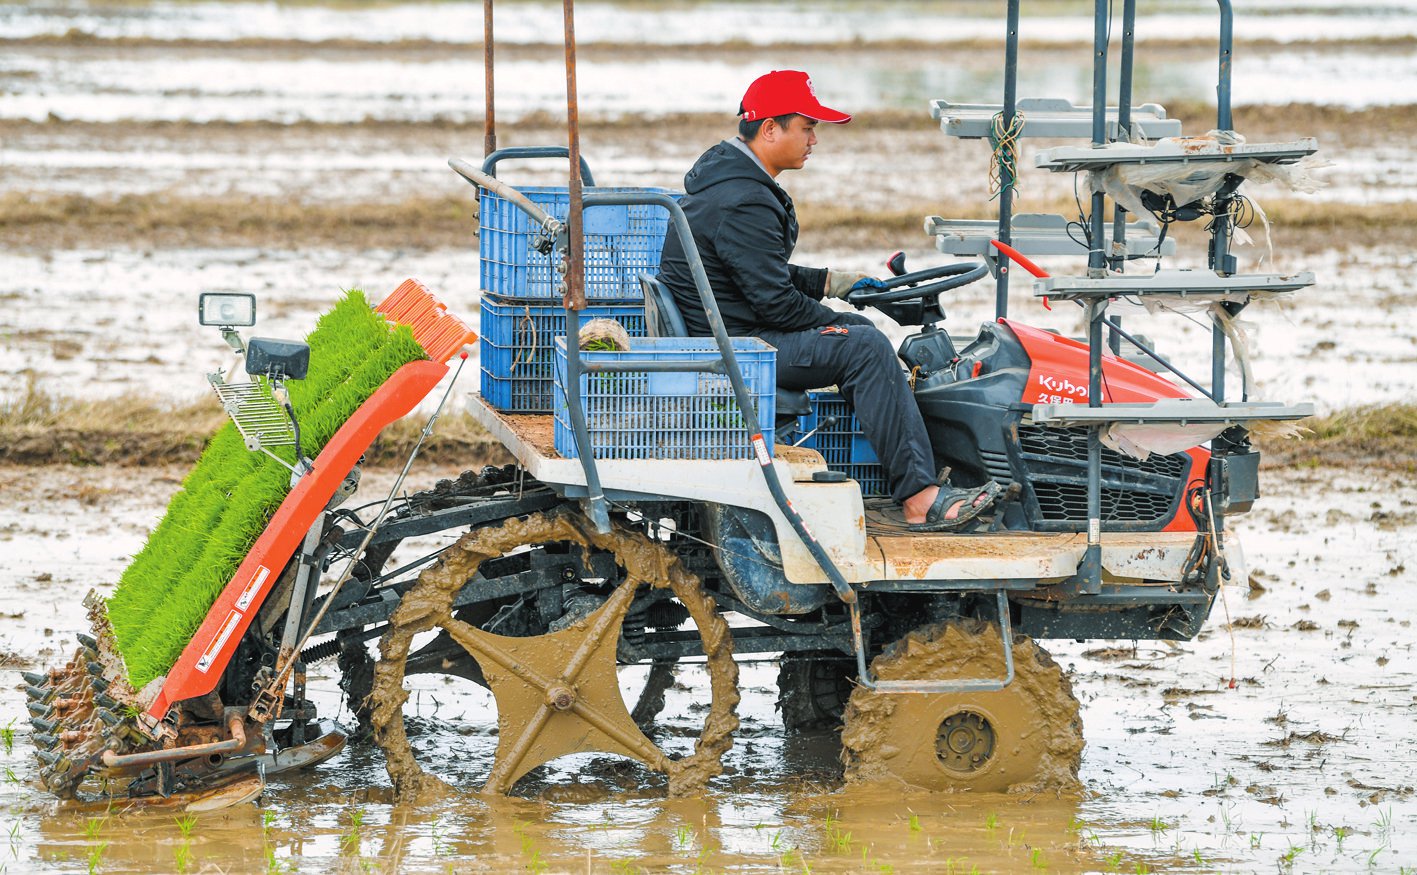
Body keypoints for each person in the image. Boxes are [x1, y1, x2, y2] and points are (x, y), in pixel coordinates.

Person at [658, 69, 999, 531]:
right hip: (740, 347)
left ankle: (906, 472)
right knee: (863, 346)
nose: (814, 138)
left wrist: (835, 283)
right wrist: (835, 319)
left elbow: (758, 270)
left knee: (858, 334)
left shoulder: (731, 184)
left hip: (733, 330)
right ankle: (920, 497)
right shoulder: (744, 199)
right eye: (807, 126)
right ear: (770, 128)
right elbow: (775, 303)